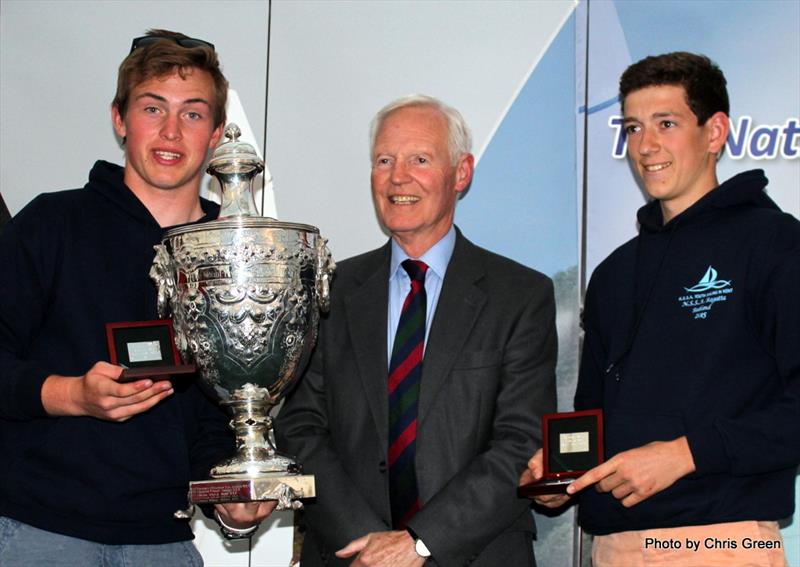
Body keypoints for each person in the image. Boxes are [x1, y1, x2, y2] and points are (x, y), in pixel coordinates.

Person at [0, 29, 274, 566]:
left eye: (193, 114)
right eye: (153, 109)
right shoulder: (51, 224)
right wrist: (70, 394)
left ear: (217, 132)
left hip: (165, 544)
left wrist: (232, 498)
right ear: (120, 119)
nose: (171, 131)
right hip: (36, 532)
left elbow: (220, 413)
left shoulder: (234, 255)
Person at [522, 52, 799, 566]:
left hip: (720, 543)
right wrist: (563, 477)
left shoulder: (776, 245)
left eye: (665, 124)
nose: (645, 146)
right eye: (632, 128)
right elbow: (592, 417)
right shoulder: (613, 274)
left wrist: (685, 455)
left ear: (714, 132)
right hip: (612, 548)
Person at [276, 94, 557, 567]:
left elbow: (519, 442)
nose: (397, 176)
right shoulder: (328, 290)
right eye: (384, 160)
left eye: (419, 159)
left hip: (477, 555)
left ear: (461, 173)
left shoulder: (520, 295)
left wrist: (420, 542)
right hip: (350, 553)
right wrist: (368, 542)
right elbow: (300, 426)